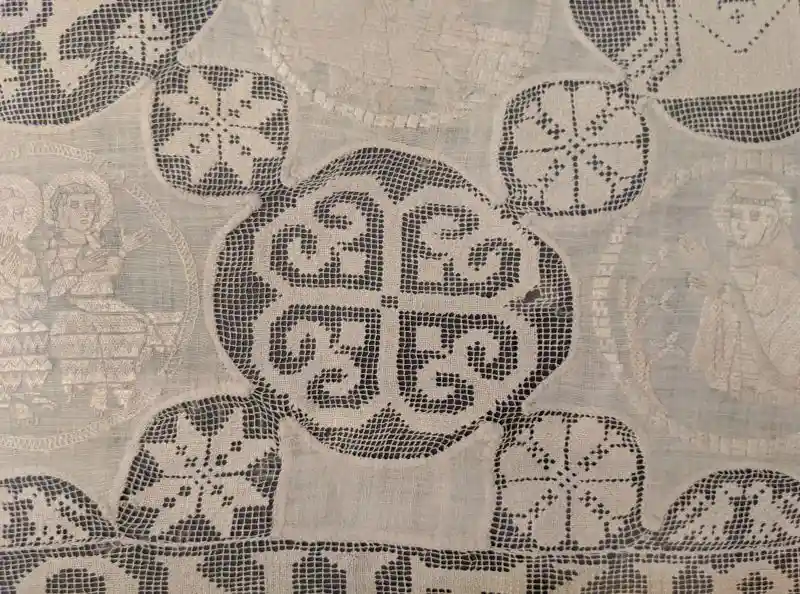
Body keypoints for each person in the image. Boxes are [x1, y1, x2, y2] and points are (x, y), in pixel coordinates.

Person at [682, 177, 800, 404]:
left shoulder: (784, 283)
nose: (740, 224)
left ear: (770, 222)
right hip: (732, 399)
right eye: (735, 214)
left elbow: (782, 369)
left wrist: (725, 294)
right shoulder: (731, 271)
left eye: (753, 216)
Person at [42, 171, 152, 414]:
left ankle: (117, 390)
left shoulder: (95, 243)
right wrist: (79, 269)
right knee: (85, 332)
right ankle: (90, 394)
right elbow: (53, 290)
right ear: (61, 212)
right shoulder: (56, 248)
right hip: (78, 308)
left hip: (107, 306)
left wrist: (123, 250)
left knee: (132, 327)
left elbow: (110, 272)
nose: (85, 212)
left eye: (90, 206)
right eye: (76, 206)